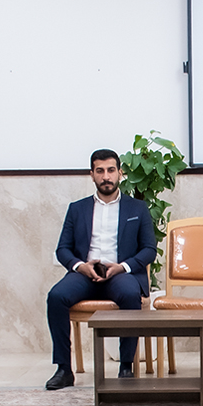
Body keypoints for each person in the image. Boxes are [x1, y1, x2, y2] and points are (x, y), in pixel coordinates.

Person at [43, 148, 159, 391]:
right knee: (56, 296)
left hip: (120, 273)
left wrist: (123, 267)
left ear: (120, 173)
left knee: (130, 295)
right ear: (92, 174)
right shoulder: (77, 209)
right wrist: (80, 266)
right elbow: (62, 249)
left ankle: (125, 367)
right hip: (85, 274)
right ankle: (64, 369)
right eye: (100, 171)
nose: (106, 176)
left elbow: (149, 249)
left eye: (111, 170)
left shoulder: (137, 208)